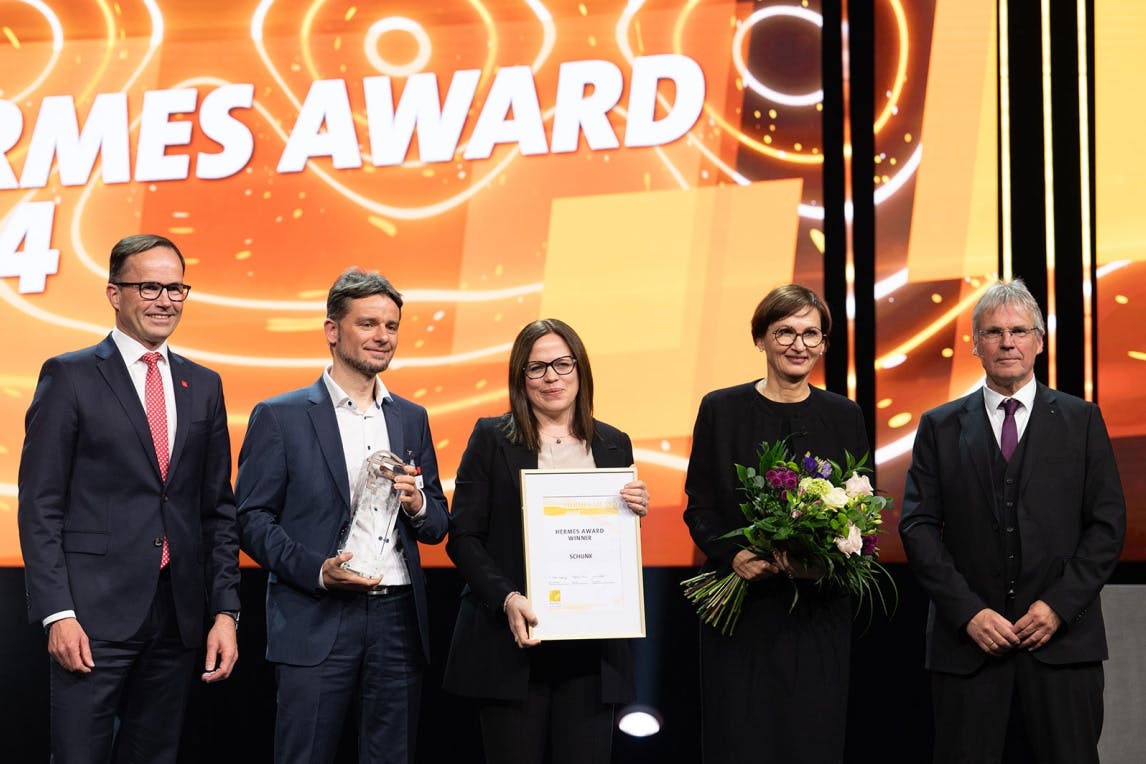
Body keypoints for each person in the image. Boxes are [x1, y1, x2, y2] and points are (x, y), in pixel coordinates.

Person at [17, 234, 241, 763]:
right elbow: (40, 505)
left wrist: (226, 612)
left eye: (176, 288)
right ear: (115, 293)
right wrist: (57, 613)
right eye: (150, 287)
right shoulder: (68, 375)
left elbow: (217, 511)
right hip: (91, 617)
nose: (165, 299)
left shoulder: (203, 385)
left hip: (178, 617)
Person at [899, 278, 1125, 763]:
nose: (1008, 342)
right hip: (968, 649)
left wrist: (1058, 607)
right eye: (994, 332)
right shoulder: (939, 426)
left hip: (1064, 646)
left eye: (1020, 331)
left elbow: (1107, 527)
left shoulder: (1082, 420)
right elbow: (917, 527)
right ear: (975, 343)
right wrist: (969, 613)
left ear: (1039, 341)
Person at [235, 267, 448, 764]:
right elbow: (251, 519)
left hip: (397, 617)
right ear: (333, 330)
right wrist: (317, 570)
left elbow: (438, 523)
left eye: (392, 326)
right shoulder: (281, 415)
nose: (383, 337)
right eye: (368, 323)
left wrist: (418, 505)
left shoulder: (410, 416)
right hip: (316, 613)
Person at [442, 318, 650, 764]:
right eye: (536, 368)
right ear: (521, 378)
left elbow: (611, 545)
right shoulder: (491, 438)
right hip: (512, 644)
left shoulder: (615, 444)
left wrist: (632, 514)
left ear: (581, 369)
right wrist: (508, 598)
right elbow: (463, 537)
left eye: (562, 364)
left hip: (592, 653)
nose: (551, 377)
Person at [683, 284, 868, 763]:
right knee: (740, 742)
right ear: (760, 338)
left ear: (824, 344)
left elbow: (863, 517)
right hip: (740, 614)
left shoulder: (843, 415)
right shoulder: (720, 410)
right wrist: (734, 555)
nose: (798, 345)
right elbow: (698, 507)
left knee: (812, 742)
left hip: (817, 613)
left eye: (811, 333)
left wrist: (824, 564)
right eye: (784, 331)